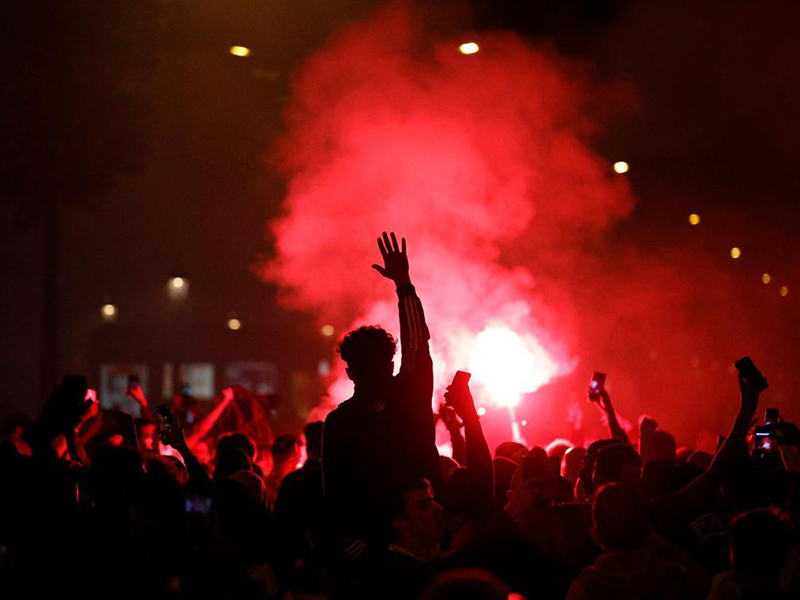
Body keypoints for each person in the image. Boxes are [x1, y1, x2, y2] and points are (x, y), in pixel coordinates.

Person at [322, 231, 441, 543]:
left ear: (349, 372)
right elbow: (417, 344)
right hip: (425, 539)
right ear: (391, 365)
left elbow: (335, 497)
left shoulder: (339, 422)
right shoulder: (409, 396)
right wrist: (403, 284)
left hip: (369, 552)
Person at [566, 483, 708, 600]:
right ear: (647, 529)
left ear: (595, 534)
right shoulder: (679, 580)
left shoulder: (584, 589)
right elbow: (705, 583)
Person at [264, 433, 302, 509]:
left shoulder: (264, 483)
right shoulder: (289, 486)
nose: (299, 458)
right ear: (290, 457)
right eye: (298, 455)